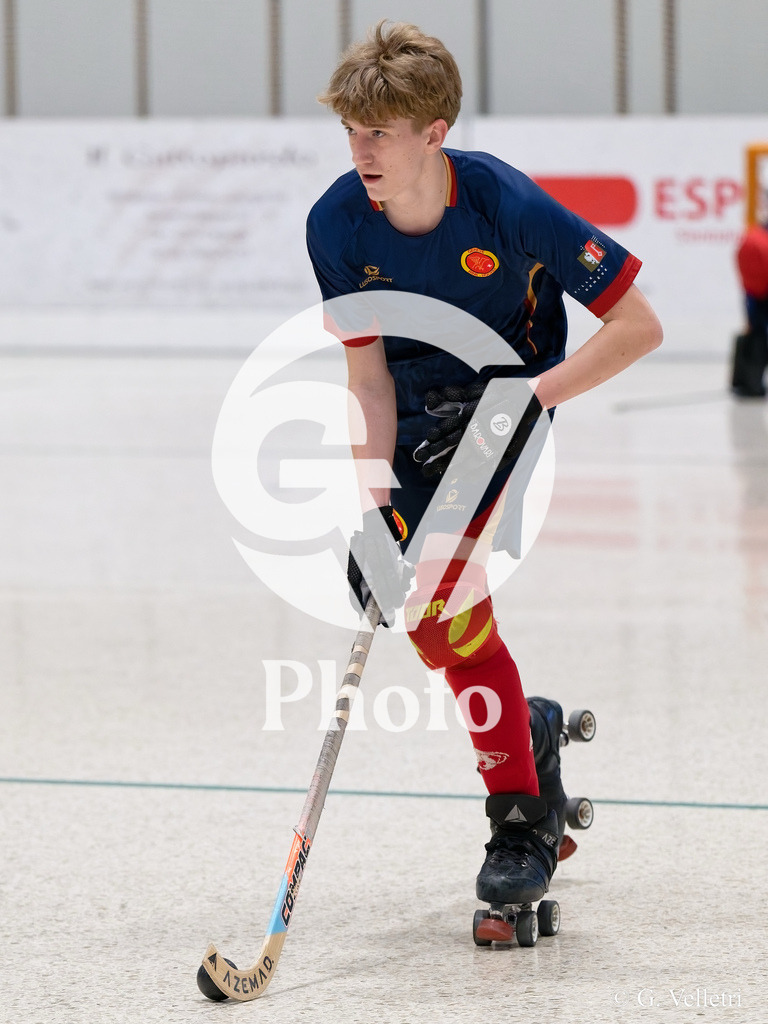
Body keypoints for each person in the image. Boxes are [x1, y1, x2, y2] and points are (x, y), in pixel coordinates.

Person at [306, 21, 662, 911]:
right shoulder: (335, 224)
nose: (360, 151)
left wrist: (531, 399)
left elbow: (638, 327)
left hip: (511, 398)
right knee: (429, 623)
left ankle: (522, 820)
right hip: (413, 408)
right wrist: (373, 510)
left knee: (444, 595)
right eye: (351, 130)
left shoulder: (507, 204)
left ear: (435, 132)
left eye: (379, 132)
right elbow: (366, 376)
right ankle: (527, 732)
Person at [732, 222, 768, 398]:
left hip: (753, 294)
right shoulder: (759, 240)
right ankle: (752, 383)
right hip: (761, 294)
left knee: (753, 333)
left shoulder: (751, 238)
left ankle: (747, 382)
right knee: (757, 337)